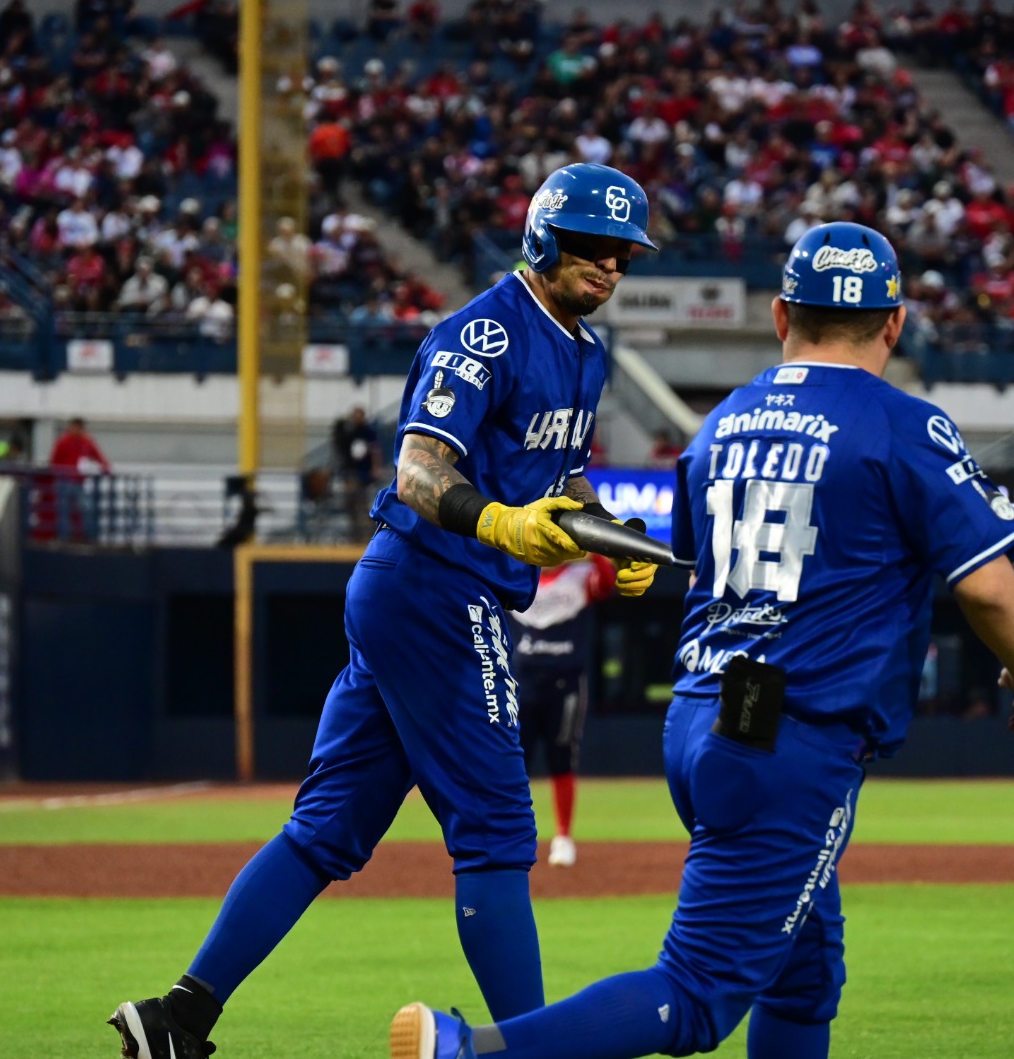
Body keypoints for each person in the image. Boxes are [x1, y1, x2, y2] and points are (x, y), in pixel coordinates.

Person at [389, 222, 1014, 1059]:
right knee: (697, 998)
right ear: (894, 323)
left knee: (806, 973)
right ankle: (470, 1049)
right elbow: (988, 583)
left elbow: (701, 566)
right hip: (793, 736)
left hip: (707, 716)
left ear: (781, 315)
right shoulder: (903, 425)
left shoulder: (722, 423)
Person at [107, 163, 662, 1059]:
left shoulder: (590, 354)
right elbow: (417, 470)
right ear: (545, 240)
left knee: (327, 829)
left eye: (623, 254)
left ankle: (179, 1015)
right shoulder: (483, 333)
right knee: (496, 831)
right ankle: (533, 1050)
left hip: (432, 591)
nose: (609, 267)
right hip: (436, 586)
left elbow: (561, 480)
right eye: (594, 248)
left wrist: (611, 535)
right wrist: (497, 522)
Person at [509, 553, 617, 868]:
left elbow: (606, 584)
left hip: (565, 682)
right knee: (514, 762)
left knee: (562, 758)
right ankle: (514, 833)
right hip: (521, 682)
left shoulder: (580, 575)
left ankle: (563, 837)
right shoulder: (516, 574)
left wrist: (592, 550)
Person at [333, 406, 385, 543]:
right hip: (351, 472)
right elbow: (341, 447)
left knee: (360, 505)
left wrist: (375, 468)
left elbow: (375, 451)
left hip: (362, 474)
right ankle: (355, 535)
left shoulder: (368, 432)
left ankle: (365, 535)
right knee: (350, 505)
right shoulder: (351, 433)